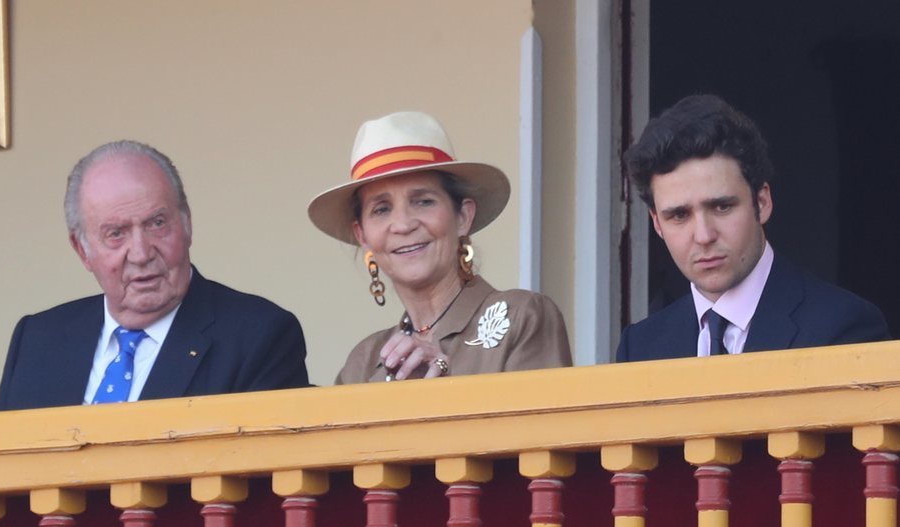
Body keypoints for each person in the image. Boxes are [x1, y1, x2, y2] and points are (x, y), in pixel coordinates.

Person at [0, 140, 308, 411]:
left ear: (186, 225)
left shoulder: (259, 336)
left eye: (157, 224)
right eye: (116, 233)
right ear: (82, 250)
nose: (141, 253)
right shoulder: (37, 341)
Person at [617, 94, 889, 362]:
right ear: (657, 223)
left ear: (763, 202)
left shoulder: (843, 326)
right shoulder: (640, 347)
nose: (703, 236)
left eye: (722, 207)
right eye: (679, 215)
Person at [308, 111, 571, 383]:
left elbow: (542, 426)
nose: (403, 224)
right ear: (362, 236)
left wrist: (445, 380)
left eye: (423, 201)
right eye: (382, 209)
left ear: (462, 217)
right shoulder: (363, 362)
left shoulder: (522, 317)